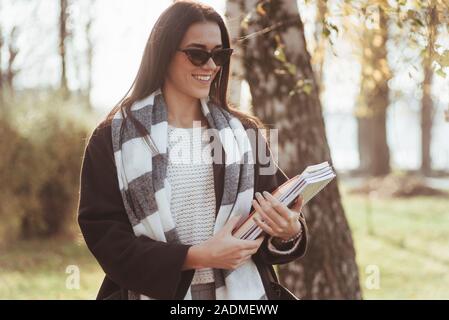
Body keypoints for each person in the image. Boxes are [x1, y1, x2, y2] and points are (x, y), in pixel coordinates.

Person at [78, 0, 308, 300]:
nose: (210, 66)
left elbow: (270, 226)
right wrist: (197, 256)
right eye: (197, 54)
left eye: (219, 55)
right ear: (163, 53)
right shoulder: (111, 138)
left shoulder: (245, 134)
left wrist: (289, 230)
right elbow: (107, 240)